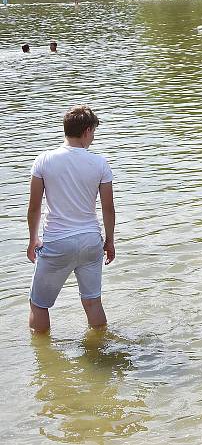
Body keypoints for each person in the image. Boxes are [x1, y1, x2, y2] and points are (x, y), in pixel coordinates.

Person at [26, 105, 116, 333]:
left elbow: (34, 207)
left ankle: (43, 360)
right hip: (90, 240)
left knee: (39, 305)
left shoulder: (44, 160)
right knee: (92, 302)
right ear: (86, 130)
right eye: (93, 132)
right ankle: (100, 351)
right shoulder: (99, 163)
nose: (93, 138)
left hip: (57, 241)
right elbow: (108, 208)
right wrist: (110, 241)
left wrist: (33, 239)